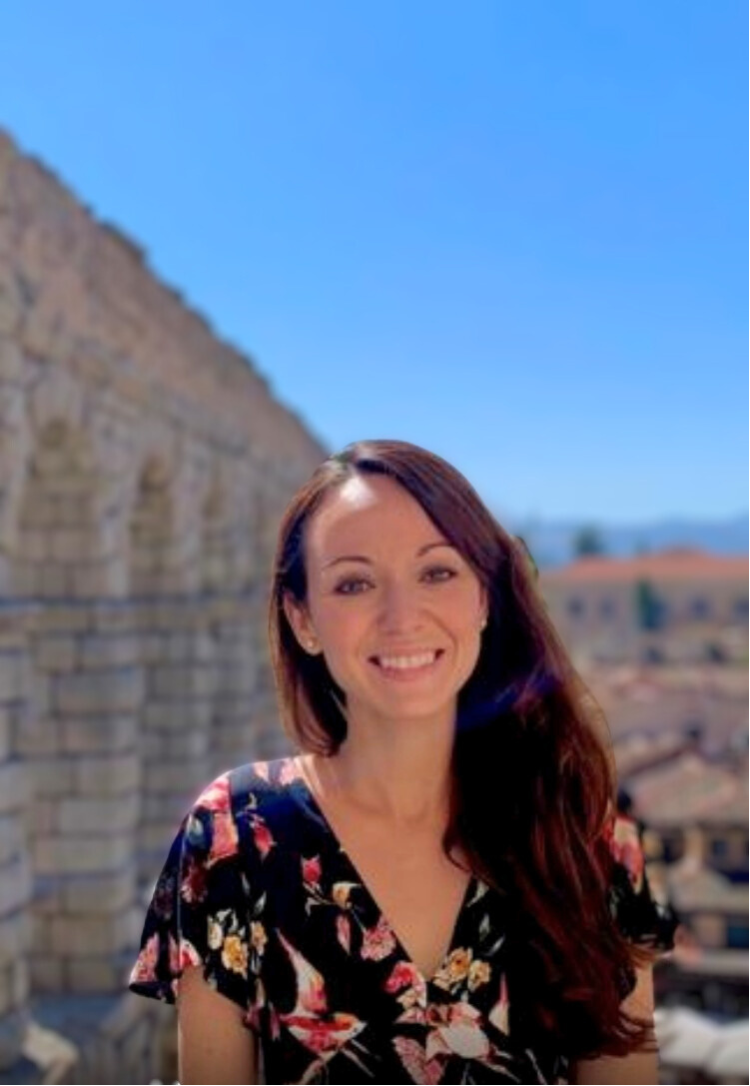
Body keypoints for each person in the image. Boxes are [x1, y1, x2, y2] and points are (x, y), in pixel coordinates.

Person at [129, 439, 675, 1084]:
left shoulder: (587, 841)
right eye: (355, 583)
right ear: (303, 620)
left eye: (436, 572)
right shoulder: (234, 835)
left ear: (484, 598)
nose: (401, 617)